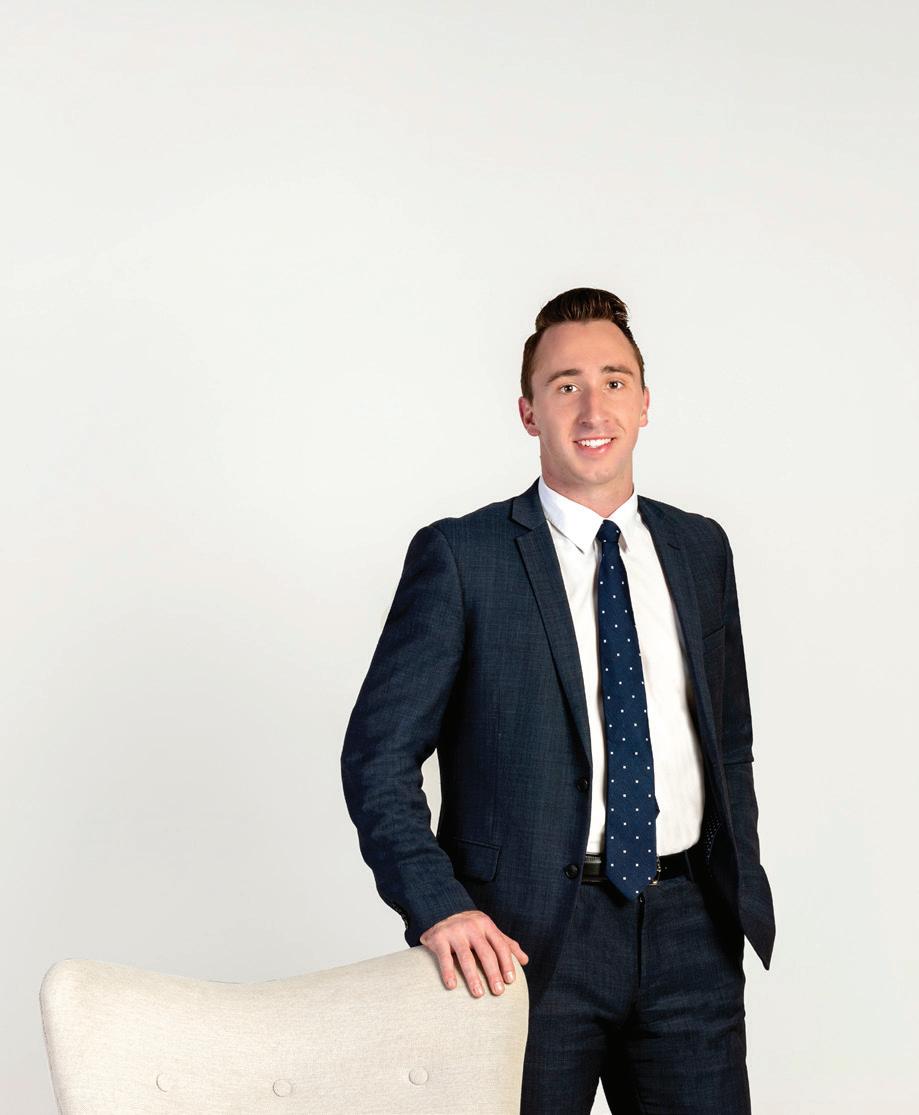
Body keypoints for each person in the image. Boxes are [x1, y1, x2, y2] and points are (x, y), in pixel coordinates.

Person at [340, 287, 776, 1113]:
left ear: (644, 403)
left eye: (613, 381)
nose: (591, 408)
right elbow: (376, 757)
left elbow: (728, 740)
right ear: (528, 411)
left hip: (691, 934)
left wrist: (735, 881)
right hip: (525, 942)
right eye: (564, 384)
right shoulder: (462, 556)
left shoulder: (698, 547)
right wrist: (439, 907)